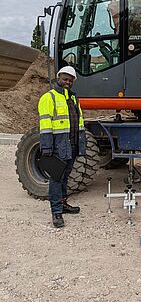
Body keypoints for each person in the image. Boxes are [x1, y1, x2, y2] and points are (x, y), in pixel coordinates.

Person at [38, 66, 86, 228]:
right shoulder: (48, 97)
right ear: (59, 77)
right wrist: (47, 148)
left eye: (71, 80)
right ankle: (56, 212)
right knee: (56, 178)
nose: (68, 82)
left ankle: (63, 204)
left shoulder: (73, 98)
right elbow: (45, 125)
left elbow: (79, 123)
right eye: (65, 79)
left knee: (65, 176)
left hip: (71, 145)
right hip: (57, 146)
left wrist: (81, 145)